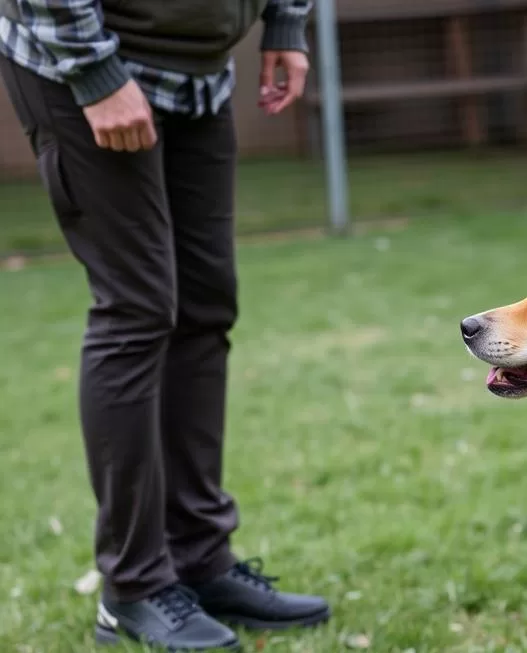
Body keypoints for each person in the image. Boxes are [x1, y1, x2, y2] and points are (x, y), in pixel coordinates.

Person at [0, 0, 330, 649]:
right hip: (84, 60)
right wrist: (94, 73)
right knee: (137, 307)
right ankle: (134, 584)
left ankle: (200, 560)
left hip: (199, 68)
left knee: (205, 305)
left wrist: (285, 21)